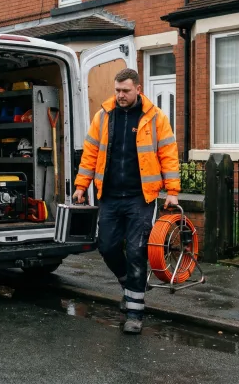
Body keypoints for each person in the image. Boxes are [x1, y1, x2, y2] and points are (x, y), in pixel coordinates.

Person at [72, 68, 180, 334]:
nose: (120, 95)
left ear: (138, 89)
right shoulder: (103, 116)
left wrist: (173, 190)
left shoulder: (155, 118)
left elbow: (168, 154)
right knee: (106, 246)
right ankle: (130, 284)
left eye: (125, 91)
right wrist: (81, 185)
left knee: (136, 251)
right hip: (108, 195)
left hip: (140, 198)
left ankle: (135, 313)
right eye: (117, 90)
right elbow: (90, 152)